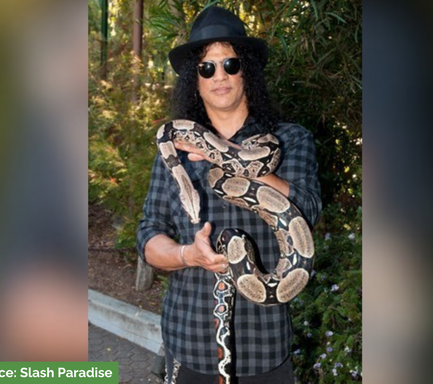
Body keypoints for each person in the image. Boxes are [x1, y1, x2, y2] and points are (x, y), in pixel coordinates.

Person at [137, 6, 321, 384]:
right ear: (195, 79)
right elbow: (149, 234)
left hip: (265, 347)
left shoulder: (290, 139)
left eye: (230, 64)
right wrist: (188, 254)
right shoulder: (174, 153)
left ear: (247, 72)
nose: (219, 75)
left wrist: (231, 160)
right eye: (207, 67)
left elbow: (308, 208)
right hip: (187, 341)